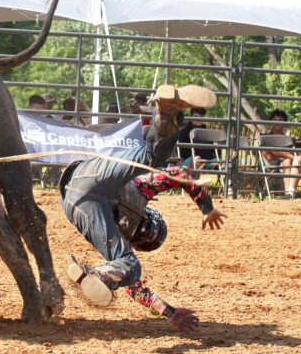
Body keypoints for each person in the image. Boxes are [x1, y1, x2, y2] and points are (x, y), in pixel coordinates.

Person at [58, 84, 218, 333]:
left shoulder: (140, 195)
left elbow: (179, 173)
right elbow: (136, 287)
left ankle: (166, 113)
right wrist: (170, 313)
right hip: (77, 200)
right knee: (128, 266)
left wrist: (206, 208)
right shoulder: (120, 240)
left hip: (86, 176)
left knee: (151, 157)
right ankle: (100, 274)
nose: (144, 231)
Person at [260, 109, 301, 198]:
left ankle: (288, 194)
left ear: (284, 122)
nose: (277, 122)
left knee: (288, 162)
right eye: (275, 120)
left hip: (284, 162)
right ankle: (293, 158)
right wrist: (292, 156)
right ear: (271, 121)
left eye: (280, 120)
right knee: (270, 149)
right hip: (271, 161)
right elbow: (267, 152)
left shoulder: (287, 138)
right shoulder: (265, 136)